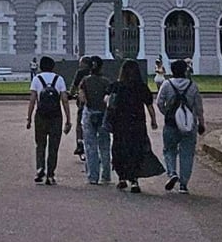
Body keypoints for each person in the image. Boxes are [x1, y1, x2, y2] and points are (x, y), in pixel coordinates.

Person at [106, 59, 165, 192]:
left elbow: (108, 102)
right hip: (137, 123)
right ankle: (134, 180)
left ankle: (121, 177)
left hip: (120, 123)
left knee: (119, 148)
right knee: (136, 149)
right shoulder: (141, 86)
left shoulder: (117, 86)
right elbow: (149, 105)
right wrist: (153, 120)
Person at [157, 58, 206, 195]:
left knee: (169, 150)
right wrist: (201, 123)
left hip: (171, 123)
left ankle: (172, 173)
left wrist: (166, 113)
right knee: (187, 154)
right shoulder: (192, 86)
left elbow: (160, 102)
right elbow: (199, 107)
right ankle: (183, 184)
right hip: (189, 123)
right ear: (185, 70)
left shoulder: (167, 85)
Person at [25, 56, 70, 185]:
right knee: (54, 146)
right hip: (56, 115)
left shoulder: (36, 79)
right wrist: (68, 119)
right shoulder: (59, 79)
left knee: (40, 144)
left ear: (40, 66)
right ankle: (50, 174)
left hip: (41, 115)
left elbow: (33, 99)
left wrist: (29, 118)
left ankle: (40, 168)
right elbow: (64, 100)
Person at [76, 55, 112, 185]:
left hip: (89, 113)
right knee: (105, 145)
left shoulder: (85, 81)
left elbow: (82, 97)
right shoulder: (106, 81)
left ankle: (93, 176)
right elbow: (109, 99)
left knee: (90, 146)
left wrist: (85, 104)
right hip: (103, 114)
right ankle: (106, 174)